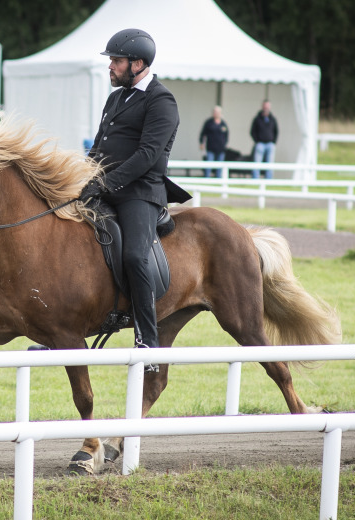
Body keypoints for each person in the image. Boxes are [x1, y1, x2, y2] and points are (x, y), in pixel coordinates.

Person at [77, 28, 190, 373]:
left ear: (137, 64)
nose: (110, 66)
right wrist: (81, 177)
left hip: (140, 193)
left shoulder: (161, 100)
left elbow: (147, 155)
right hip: (104, 185)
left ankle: (147, 343)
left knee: (134, 255)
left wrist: (107, 184)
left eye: (116, 60)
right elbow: (99, 146)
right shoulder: (116, 98)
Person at [250, 100, 278, 179]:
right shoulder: (257, 119)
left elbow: (276, 131)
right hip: (260, 144)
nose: (266, 108)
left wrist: (273, 142)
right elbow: (252, 131)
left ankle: (268, 180)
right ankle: (255, 179)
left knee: (270, 163)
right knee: (257, 163)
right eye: (265, 106)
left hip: (270, 144)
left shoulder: (273, 119)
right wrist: (257, 141)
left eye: (268, 106)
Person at [199, 106, 229, 178]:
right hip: (210, 148)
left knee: (219, 166)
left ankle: (218, 179)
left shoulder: (223, 124)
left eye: (218, 112)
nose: (216, 113)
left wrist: (225, 144)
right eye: (215, 112)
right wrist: (201, 143)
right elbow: (202, 134)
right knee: (209, 165)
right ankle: (207, 178)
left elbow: (226, 135)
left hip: (220, 149)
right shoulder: (209, 123)